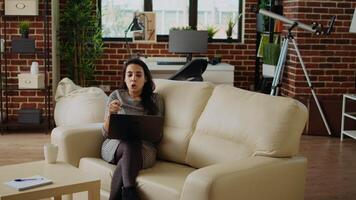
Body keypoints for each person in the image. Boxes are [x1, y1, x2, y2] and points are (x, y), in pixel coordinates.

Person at [101, 58, 164, 200]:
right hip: (115, 146)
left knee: (130, 148)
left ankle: (126, 192)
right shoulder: (115, 96)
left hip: (144, 150)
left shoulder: (155, 100)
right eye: (129, 75)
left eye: (138, 75)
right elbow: (105, 134)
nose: (133, 78)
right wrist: (111, 114)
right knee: (129, 143)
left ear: (146, 78)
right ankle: (129, 191)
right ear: (124, 78)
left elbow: (157, 136)